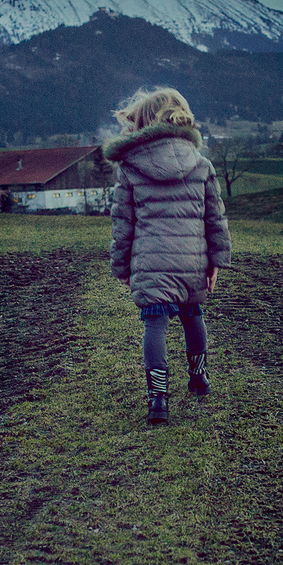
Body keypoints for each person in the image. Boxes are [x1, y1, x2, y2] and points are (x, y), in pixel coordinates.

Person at [104, 87, 231, 424]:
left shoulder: (130, 166)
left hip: (152, 262)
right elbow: (214, 218)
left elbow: (123, 223)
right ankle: (199, 376)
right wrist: (216, 260)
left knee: (155, 324)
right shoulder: (200, 163)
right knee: (193, 315)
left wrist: (121, 265)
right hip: (193, 259)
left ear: (142, 122)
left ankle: (158, 399)